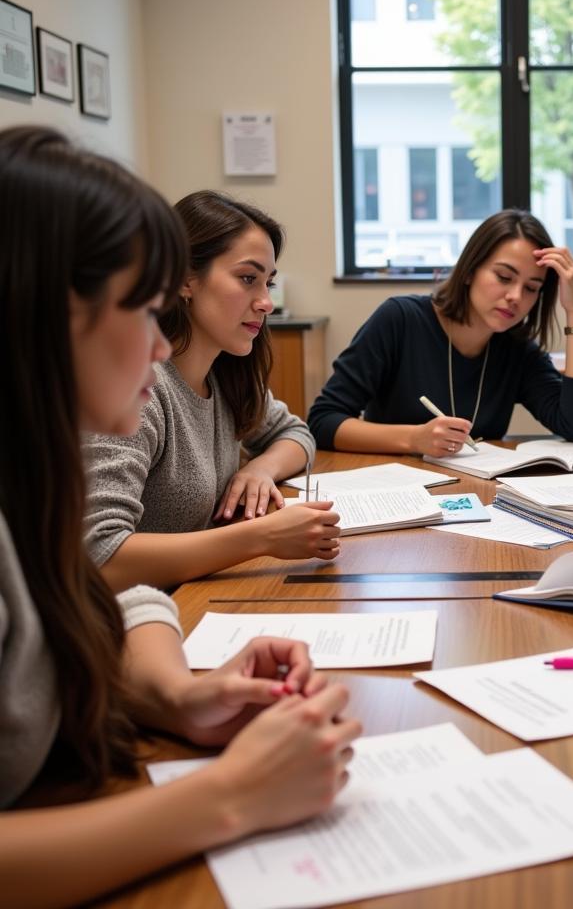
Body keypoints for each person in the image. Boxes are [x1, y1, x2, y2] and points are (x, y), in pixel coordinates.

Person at [0, 126, 360, 906]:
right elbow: (105, 558)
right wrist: (228, 797)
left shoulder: (33, 472)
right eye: (145, 309)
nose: (160, 349)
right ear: (51, 313)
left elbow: (107, 595)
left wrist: (179, 697)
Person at [83, 191, 342, 591]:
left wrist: (260, 468)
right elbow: (101, 556)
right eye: (247, 279)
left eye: (268, 283)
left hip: (197, 596)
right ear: (185, 279)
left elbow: (296, 433)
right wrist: (264, 537)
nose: (266, 303)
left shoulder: (226, 373)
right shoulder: (140, 389)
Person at [308, 209, 573, 455]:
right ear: (471, 269)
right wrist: (413, 439)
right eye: (503, 277)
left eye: (531, 288)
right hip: (396, 489)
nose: (515, 296)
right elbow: (323, 421)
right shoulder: (399, 319)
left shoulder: (518, 348)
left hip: (477, 498)